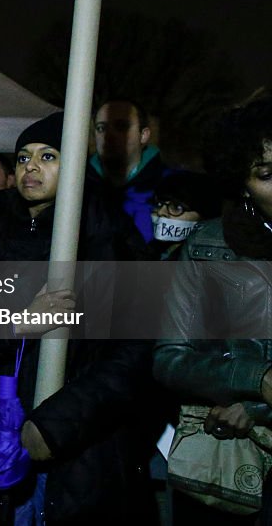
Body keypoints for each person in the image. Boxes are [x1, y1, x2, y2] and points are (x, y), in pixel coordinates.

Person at [0, 111, 158, 526]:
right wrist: (17, 323)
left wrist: (53, 427)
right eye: (23, 157)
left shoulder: (107, 237)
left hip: (78, 457)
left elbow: (131, 356)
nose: (31, 167)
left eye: (49, 156)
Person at [153, 91, 272, 526]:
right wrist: (251, 379)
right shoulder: (207, 246)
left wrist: (258, 406)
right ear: (241, 179)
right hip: (227, 476)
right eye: (267, 173)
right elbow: (170, 359)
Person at [88, 99, 166, 242]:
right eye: (101, 128)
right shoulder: (78, 186)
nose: (109, 136)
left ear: (143, 135)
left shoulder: (169, 186)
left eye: (121, 127)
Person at [144, 171, 222, 260]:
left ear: (204, 216)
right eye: (158, 204)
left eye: (177, 207)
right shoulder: (147, 251)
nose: (161, 212)